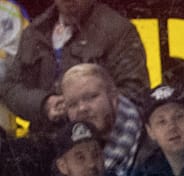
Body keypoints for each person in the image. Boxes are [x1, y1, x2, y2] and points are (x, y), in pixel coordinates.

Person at [0, 0, 147, 133]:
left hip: (101, 143)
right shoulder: (35, 31)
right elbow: (10, 87)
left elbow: (135, 92)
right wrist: (44, 103)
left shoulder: (118, 31)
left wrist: (81, 106)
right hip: (46, 143)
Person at [59, 62, 142, 176]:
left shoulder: (152, 142)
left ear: (113, 97)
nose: (82, 109)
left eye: (91, 97)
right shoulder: (64, 156)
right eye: (72, 104)